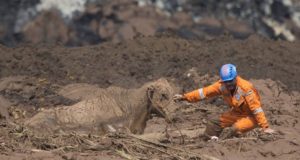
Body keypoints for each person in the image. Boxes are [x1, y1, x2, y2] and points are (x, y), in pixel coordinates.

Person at [173, 64, 275, 140]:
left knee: (235, 128)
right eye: (226, 82)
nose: (228, 84)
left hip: (251, 116)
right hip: (236, 113)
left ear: (235, 77)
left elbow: (256, 109)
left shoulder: (246, 88)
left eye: (230, 81)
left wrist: (265, 127)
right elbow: (204, 92)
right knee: (213, 122)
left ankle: (224, 143)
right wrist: (185, 97)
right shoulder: (222, 85)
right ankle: (209, 141)